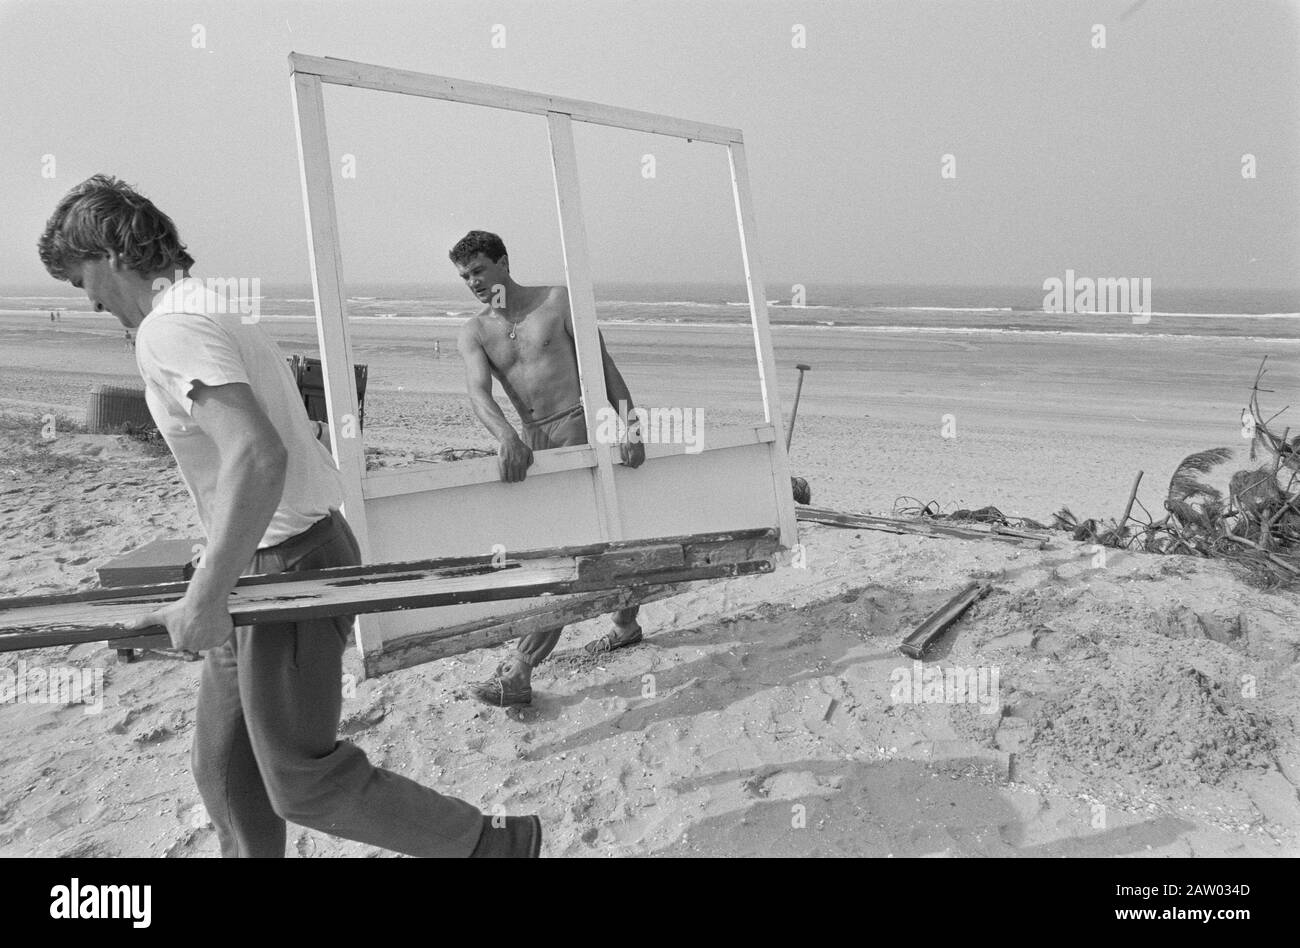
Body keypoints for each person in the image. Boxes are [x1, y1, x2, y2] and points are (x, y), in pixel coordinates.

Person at [39, 176, 539, 858]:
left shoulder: (170, 328)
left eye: (81, 281)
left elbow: (258, 453)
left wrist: (207, 594)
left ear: (113, 255)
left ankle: (495, 846)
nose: (90, 301)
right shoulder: (202, 311)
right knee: (223, 772)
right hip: (256, 562)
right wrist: (213, 571)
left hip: (287, 567)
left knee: (302, 781)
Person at [452, 230, 646, 707]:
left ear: (502, 263)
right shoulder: (474, 331)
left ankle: (520, 671)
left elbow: (602, 366)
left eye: (478, 270)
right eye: (464, 276)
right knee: (581, 546)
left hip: (585, 425)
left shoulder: (558, 301)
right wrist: (507, 437)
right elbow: (478, 394)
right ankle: (625, 623)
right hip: (534, 440)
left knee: (573, 552)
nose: (473, 283)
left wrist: (631, 423)